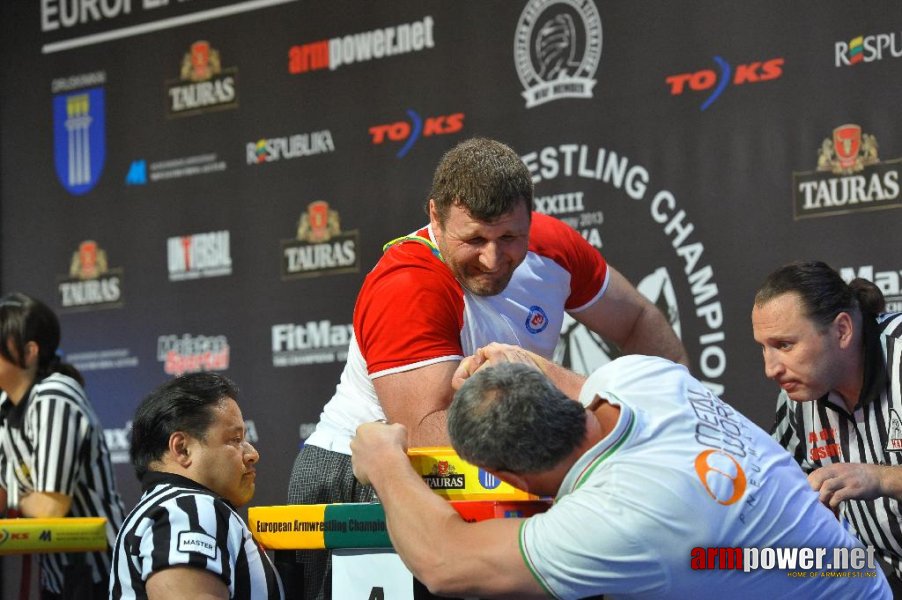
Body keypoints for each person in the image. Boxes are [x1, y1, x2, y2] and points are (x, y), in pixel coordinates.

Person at [288, 136, 688, 598]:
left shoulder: (555, 247)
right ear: (435, 218)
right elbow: (425, 430)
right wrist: (578, 429)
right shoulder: (407, 286)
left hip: (496, 461)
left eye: (509, 238)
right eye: (474, 239)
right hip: (368, 474)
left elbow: (639, 319)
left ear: (529, 221)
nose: (494, 259)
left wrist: (673, 421)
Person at [351, 343, 890, 599]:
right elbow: (580, 385)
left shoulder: (615, 519)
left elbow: (445, 563)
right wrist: (524, 364)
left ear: (509, 475)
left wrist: (383, 460)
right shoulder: (645, 377)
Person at [752, 260, 902, 592]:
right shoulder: (798, 397)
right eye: (763, 348)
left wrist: (882, 477)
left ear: (842, 330)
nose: (770, 369)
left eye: (785, 345)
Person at [109, 372, 284, 599]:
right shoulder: (187, 509)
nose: (252, 454)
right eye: (235, 439)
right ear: (182, 448)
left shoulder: (164, 509)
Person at [0, 292, 125, 599]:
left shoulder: (55, 394)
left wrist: (15, 497)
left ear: (29, 352)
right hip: (57, 575)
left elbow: (50, 508)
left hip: (104, 574)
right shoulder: (5, 405)